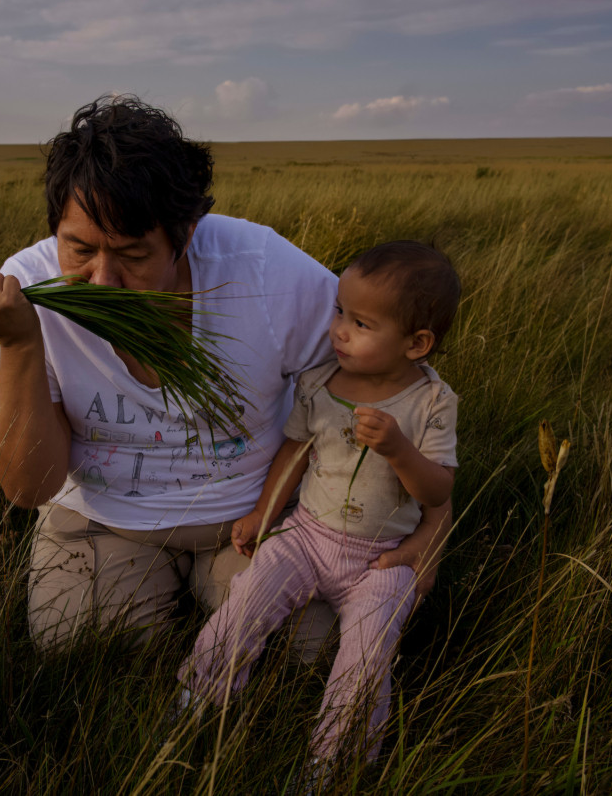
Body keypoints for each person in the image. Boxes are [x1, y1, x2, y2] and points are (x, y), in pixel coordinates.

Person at [0, 95, 453, 650]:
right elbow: (28, 486)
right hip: (102, 521)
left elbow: (400, 385)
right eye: (79, 249)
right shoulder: (26, 287)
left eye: (133, 255)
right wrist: (18, 343)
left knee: (306, 653)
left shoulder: (267, 273)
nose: (102, 280)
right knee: (81, 649)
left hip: (257, 520)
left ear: (186, 232)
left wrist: (435, 527)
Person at [177, 240, 461, 771]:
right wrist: (265, 512)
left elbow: (438, 491)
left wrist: (399, 449)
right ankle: (200, 702)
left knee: (365, 657)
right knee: (244, 604)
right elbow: (295, 452)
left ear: (417, 343)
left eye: (361, 323)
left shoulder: (431, 404)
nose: (339, 330)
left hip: (384, 559)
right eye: (339, 312)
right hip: (306, 536)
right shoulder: (319, 382)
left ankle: (334, 763)